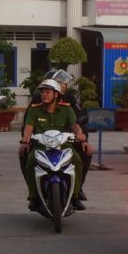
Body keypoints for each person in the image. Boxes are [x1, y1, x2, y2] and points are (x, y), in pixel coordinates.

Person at [20, 78, 88, 211]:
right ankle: (33, 196)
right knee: (30, 161)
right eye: (42, 92)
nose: (44, 95)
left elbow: (75, 125)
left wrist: (80, 135)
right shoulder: (35, 110)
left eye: (47, 92)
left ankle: (75, 196)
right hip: (41, 148)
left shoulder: (66, 109)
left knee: (77, 160)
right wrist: (25, 139)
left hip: (64, 147)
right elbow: (28, 127)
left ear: (56, 94)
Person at [42, 68, 91, 201]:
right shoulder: (39, 99)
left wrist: (83, 139)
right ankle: (34, 193)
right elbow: (28, 123)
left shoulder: (69, 99)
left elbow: (79, 120)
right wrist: (26, 141)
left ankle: (78, 189)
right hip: (42, 140)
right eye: (61, 82)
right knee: (25, 156)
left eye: (64, 83)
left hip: (66, 139)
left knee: (85, 155)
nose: (64, 85)